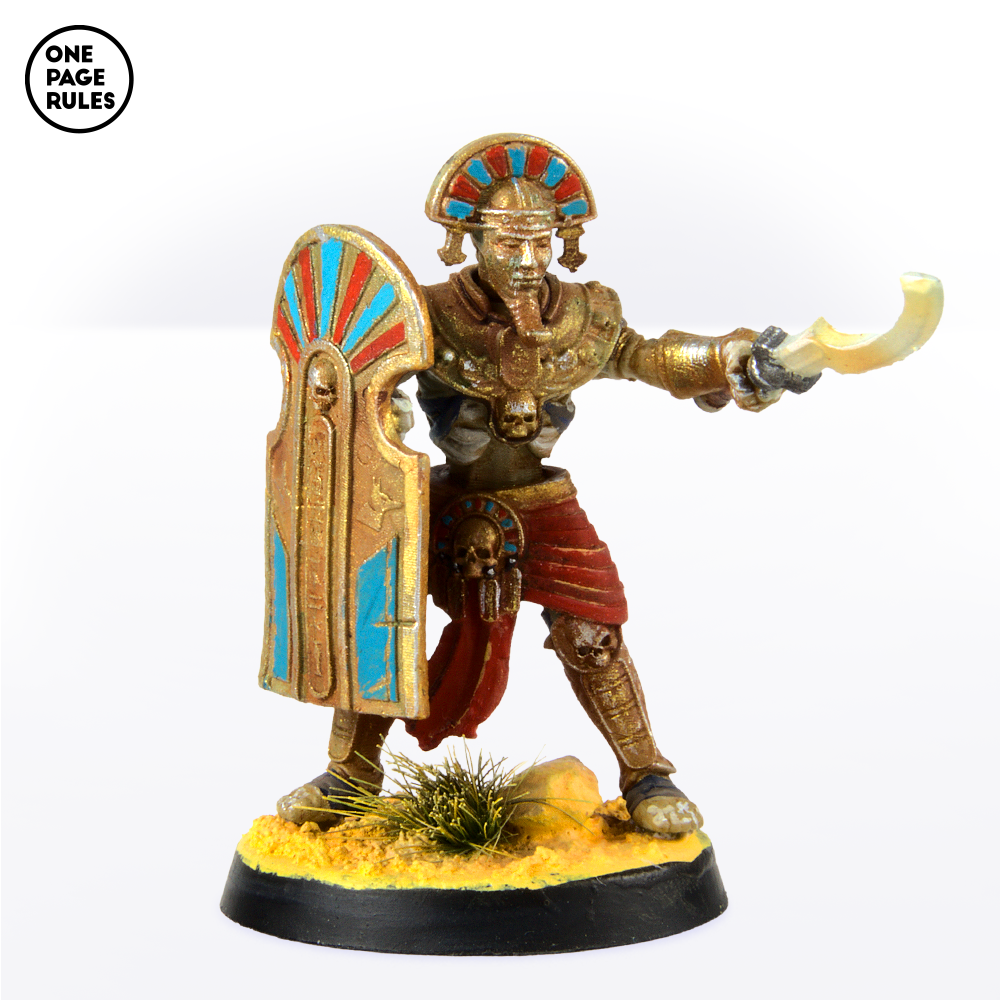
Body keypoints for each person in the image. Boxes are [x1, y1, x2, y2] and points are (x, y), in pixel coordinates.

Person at [278, 136, 782, 834]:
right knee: (380, 611)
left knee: (591, 629)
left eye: (540, 244)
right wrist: (376, 413)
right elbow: (365, 380)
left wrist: (725, 359)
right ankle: (349, 773)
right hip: (438, 502)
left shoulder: (583, 315)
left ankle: (645, 773)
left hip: (541, 501)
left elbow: (645, 357)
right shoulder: (427, 314)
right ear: (471, 239)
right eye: (509, 244)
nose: (527, 261)